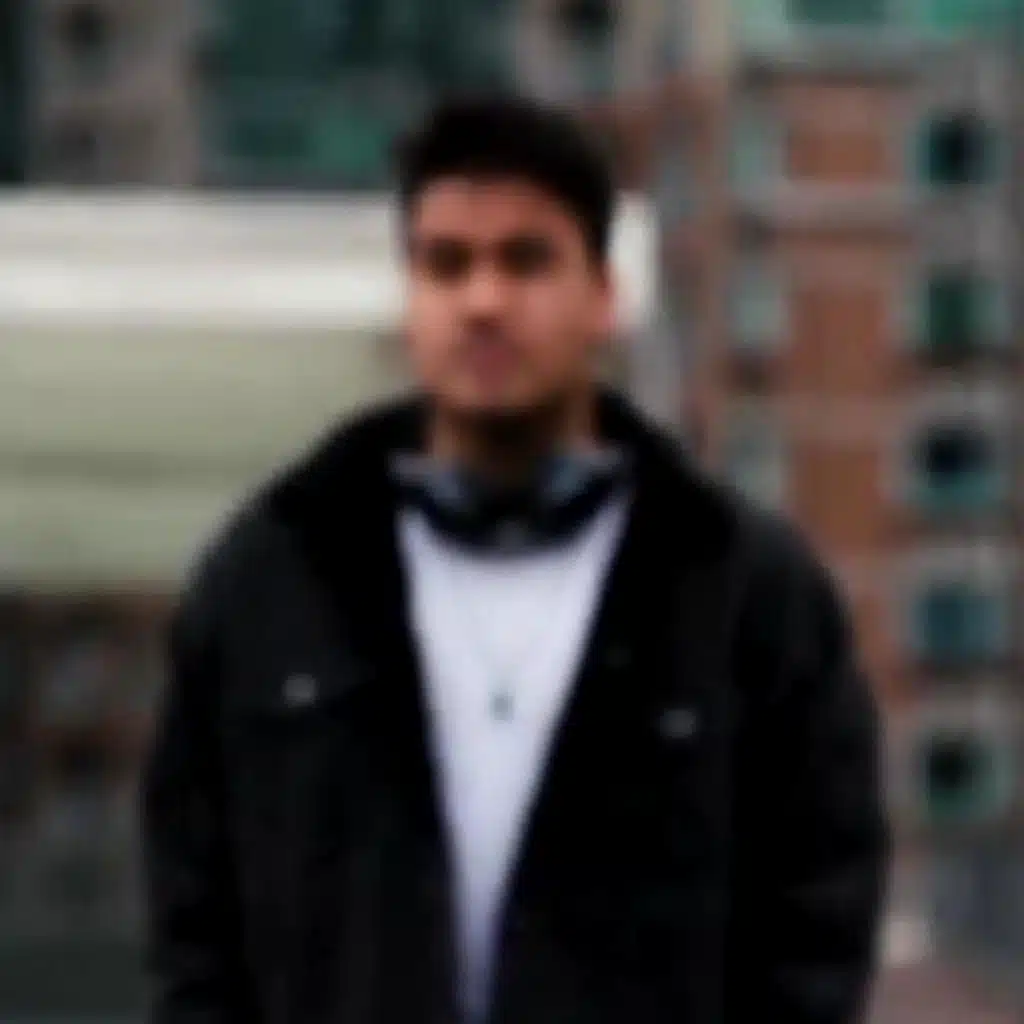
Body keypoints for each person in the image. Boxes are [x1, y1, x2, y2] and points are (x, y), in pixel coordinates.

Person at [142, 96, 889, 1024]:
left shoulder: (743, 593)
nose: (484, 302)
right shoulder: (273, 580)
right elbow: (194, 925)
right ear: (409, 298)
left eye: (526, 260)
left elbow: (817, 919)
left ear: (604, 295)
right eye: (446, 264)